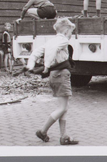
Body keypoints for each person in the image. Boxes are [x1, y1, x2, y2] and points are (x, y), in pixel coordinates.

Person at [26, 17, 79, 145]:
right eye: (71, 32)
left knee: (64, 107)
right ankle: (43, 131)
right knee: (62, 107)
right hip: (61, 75)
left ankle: (63, 136)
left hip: (54, 76)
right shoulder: (63, 41)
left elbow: (35, 53)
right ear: (66, 31)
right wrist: (46, 66)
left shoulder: (51, 41)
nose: (71, 35)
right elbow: (52, 51)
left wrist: (30, 65)